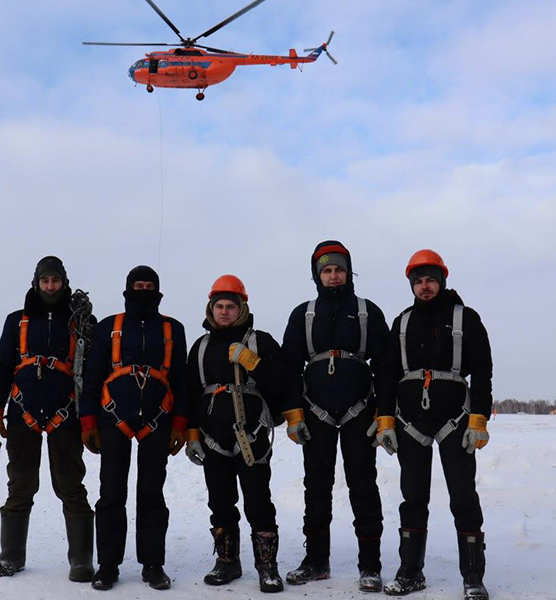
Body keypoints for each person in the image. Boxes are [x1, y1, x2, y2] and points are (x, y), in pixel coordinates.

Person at [375, 249, 492, 600]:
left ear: (442, 280)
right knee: (412, 497)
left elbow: (483, 371)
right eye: (418, 281)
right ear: (411, 285)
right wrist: (384, 420)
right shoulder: (402, 322)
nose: (425, 286)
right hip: (411, 421)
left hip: (456, 420)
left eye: (430, 280)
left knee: (463, 496)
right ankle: (411, 572)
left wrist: (479, 418)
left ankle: (473, 576)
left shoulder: (465, 318)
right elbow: (387, 374)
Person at [281, 240, 389, 592]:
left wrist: (385, 414)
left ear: (348, 271)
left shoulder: (367, 311)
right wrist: (294, 411)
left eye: (338, 269)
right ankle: (316, 560)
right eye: (326, 270)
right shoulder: (303, 314)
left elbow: (387, 366)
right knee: (316, 485)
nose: (332, 275)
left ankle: (370, 565)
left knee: (363, 484)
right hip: (315, 411)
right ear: (317, 274)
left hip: (359, 410)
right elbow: (288, 367)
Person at [0, 256, 95, 582]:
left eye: (55, 281)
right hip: (22, 414)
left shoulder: (80, 323)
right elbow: (1, 369)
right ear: (37, 283)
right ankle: (11, 555)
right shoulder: (16, 321)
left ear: (64, 282)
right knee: (20, 485)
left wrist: (89, 422)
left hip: (66, 415)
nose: (50, 286)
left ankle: (81, 559)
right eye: (45, 281)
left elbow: (92, 373)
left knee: (72, 487)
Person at [79, 265, 188, 591]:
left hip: (159, 421)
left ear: (157, 291)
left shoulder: (173, 329)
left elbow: (182, 380)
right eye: (138, 286)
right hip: (113, 420)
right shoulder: (108, 328)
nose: (143, 291)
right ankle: (108, 565)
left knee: (152, 494)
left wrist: (181, 423)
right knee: (111, 493)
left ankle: (153, 564)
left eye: (149, 286)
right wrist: (88, 422)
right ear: (128, 290)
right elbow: (91, 376)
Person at [185, 275, 290, 593]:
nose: (225, 311)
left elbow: (282, 382)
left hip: (252, 436)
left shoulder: (260, 341)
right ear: (211, 308)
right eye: (219, 306)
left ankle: (267, 566)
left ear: (242, 307)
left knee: (259, 501)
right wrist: (191, 434)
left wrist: (252, 362)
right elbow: (190, 392)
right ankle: (228, 561)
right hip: (212, 436)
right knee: (220, 500)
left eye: (231, 306)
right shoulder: (200, 347)